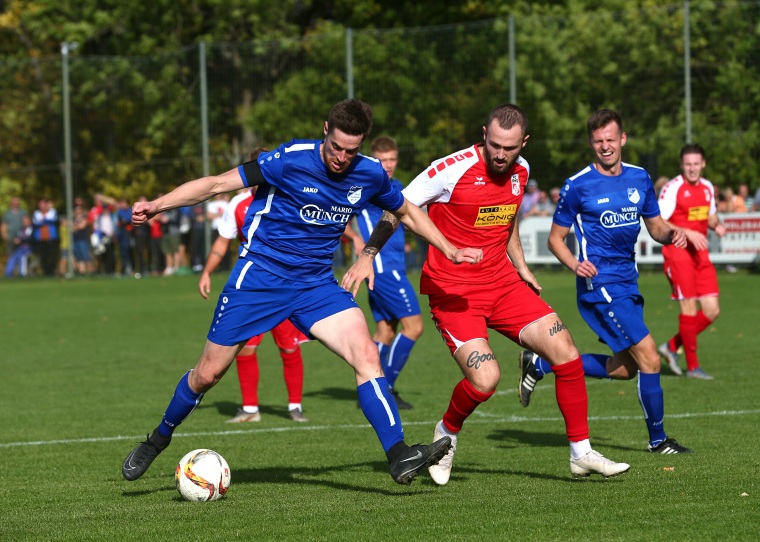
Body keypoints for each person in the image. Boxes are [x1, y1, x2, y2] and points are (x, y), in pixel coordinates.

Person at [122, 99, 483, 486]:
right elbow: (214, 184)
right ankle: (159, 438)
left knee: (365, 354)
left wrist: (446, 248)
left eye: (351, 150)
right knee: (208, 375)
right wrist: (158, 204)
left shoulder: (370, 173)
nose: (342, 158)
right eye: (336, 147)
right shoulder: (290, 158)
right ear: (325, 129)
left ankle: (397, 454)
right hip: (260, 278)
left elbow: (407, 211)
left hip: (315, 285)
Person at [343, 103, 631, 485]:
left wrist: (522, 266)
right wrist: (367, 254)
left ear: (523, 143)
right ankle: (446, 432)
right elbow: (400, 207)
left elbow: (507, 218)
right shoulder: (451, 168)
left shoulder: (522, 171)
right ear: (484, 134)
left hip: (503, 284)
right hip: (454, 292)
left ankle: (581, 453)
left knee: (566, 353)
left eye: (509, 148)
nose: (500, 153)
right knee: (486, 380)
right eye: (494, 144)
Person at [519, 108, 693, 455]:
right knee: (650, 358)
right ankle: (658, 440)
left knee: (625, 369)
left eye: (611, 139)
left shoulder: (640, 178)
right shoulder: (577, 184)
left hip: (628, 283)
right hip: (600, 286)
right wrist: (574, 264)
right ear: (590, 143)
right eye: (598, 141)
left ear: (623, 139)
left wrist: (672, 233)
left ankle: (540, 363)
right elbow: (556, 239)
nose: (605, 146)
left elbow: (655, 226)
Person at [198, 147, 309, 423]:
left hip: (286, 285)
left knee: (289, 347)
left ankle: (294, 406)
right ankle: (250, 410)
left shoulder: (293, 196)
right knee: (245, 347)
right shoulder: (238, 204)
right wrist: (207, 272)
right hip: (254, 287)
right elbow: (222, 242)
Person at [342, 135, 422, 410]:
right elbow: (338, 211)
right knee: (415, 327)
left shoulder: (396, 186)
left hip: (390, 268)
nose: (388, 165)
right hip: (383, 269)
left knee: (386, 331)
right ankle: (384, 388)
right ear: (373, 159)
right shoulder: (368, 183)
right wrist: (353, 237)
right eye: (382, 160)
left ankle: (369, 392)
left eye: (392, 160)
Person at [656, 144, 726, 380]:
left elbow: (711, 214)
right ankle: (693, 367)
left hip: (700, 254)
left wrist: (717, 225)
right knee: (689, 308)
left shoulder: (707, 187)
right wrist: (688, 232)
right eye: (688, 164)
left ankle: (671, 346)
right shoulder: (672, 188)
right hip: (678, 253)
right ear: (681, 165)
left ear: (703, 164)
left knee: (712, 310)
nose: (692, 168)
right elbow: (660, 222)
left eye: (696, 164)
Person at [2, 196, 28, 260]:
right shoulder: (7, 214)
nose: (15, 204)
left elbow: (27, 223)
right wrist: (4, 235)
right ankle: (11, 268)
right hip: (10, 237)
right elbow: (3, 225)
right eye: (14, 202)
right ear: (11, 203)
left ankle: (22, 268)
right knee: (10, 254)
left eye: (17, 202)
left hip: (22, 237)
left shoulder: (23, 212)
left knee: (23, 254)